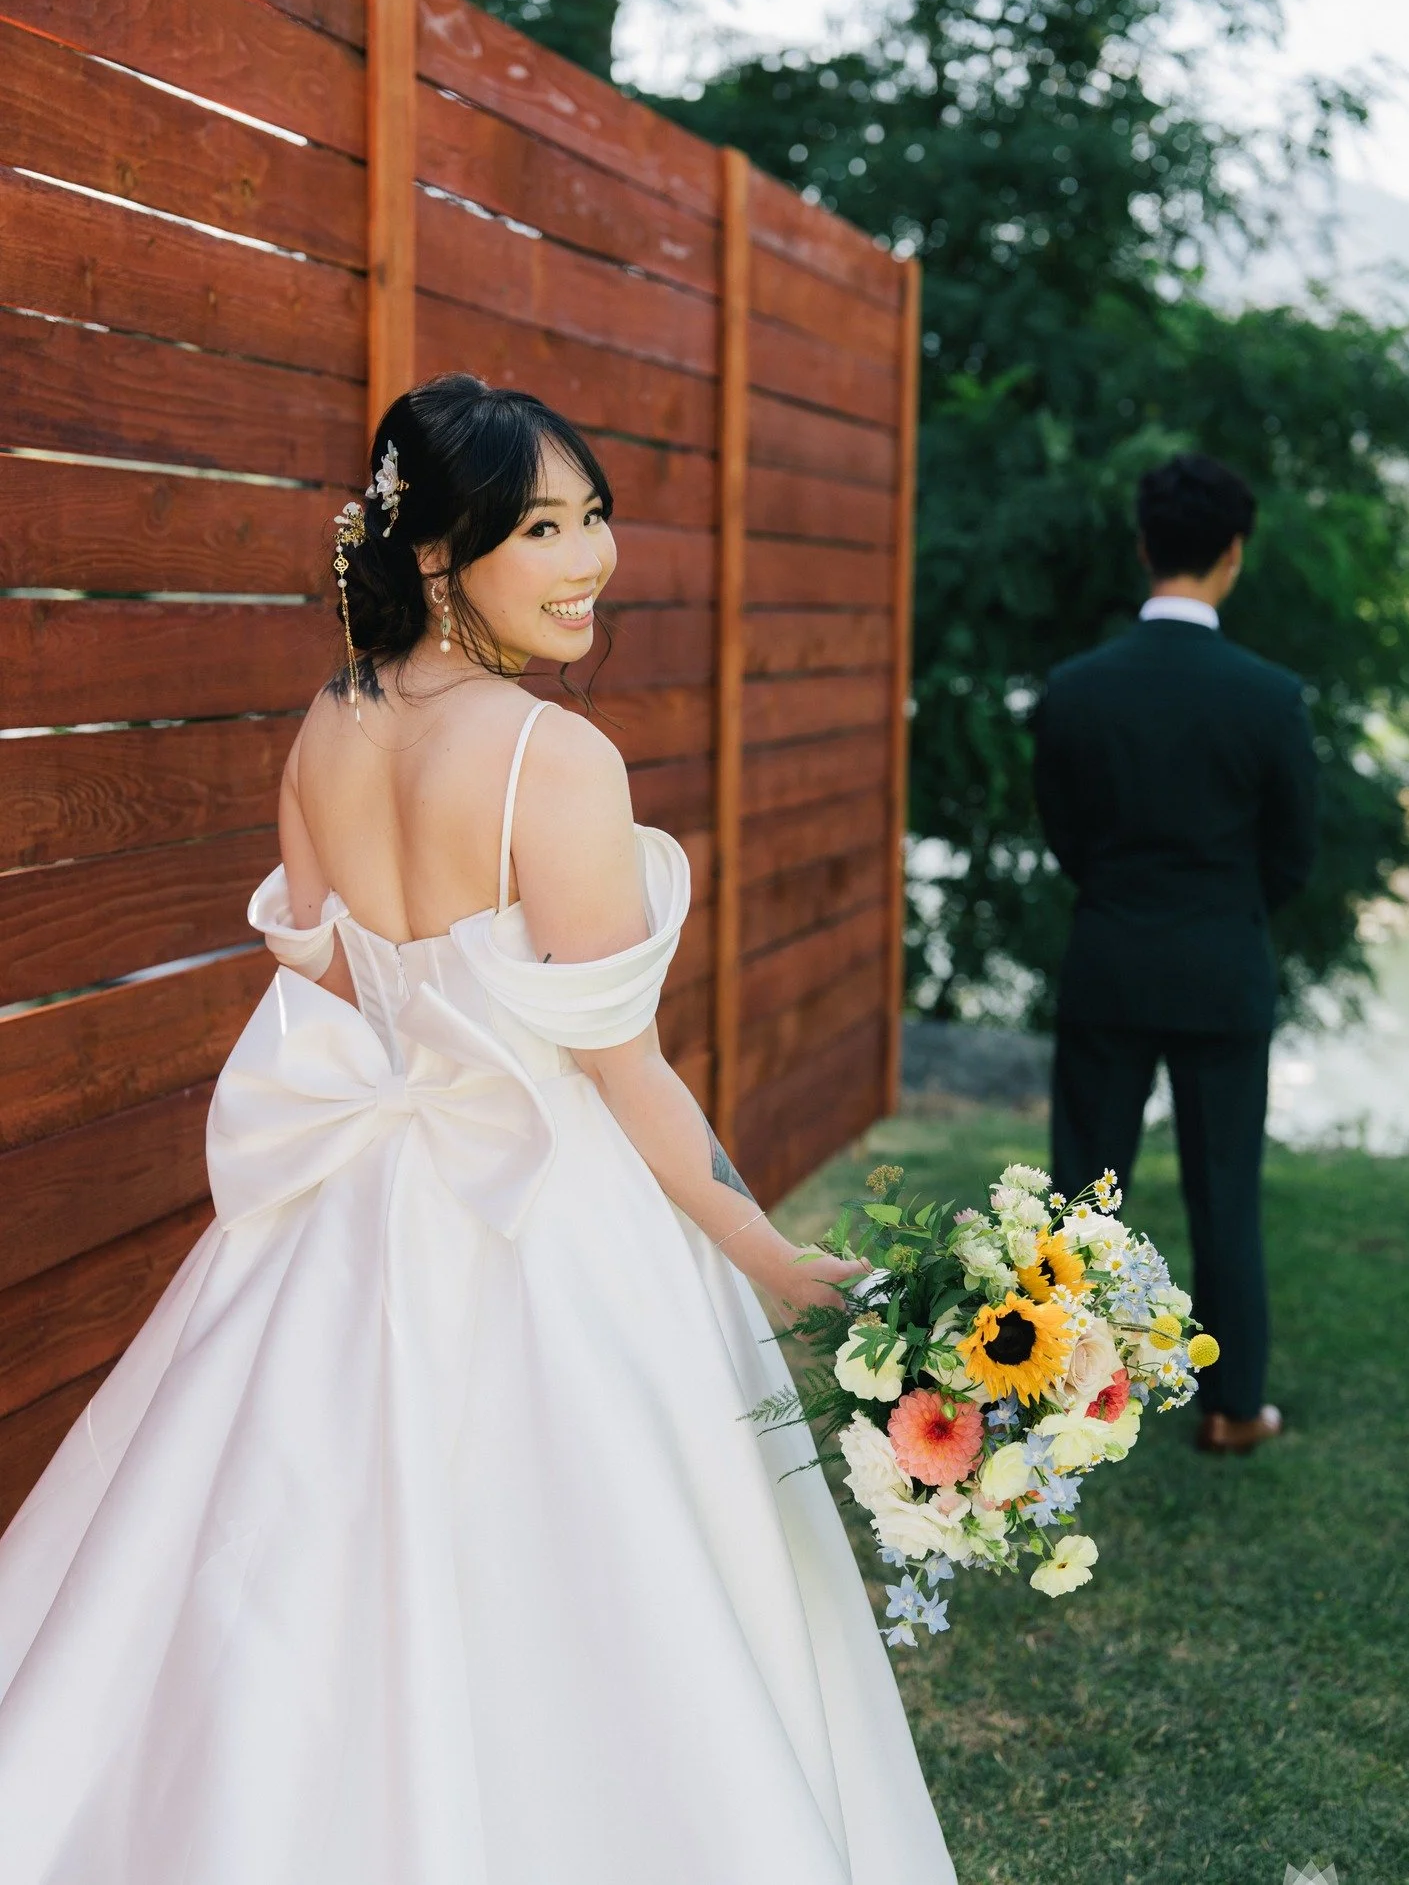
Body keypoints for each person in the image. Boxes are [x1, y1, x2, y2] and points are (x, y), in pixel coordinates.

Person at [0, 376, 956, 1885]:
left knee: (283, 1577)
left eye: (598, 521)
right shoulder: (551, 757)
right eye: (547, 529)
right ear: (441, 554)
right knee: (595, 1585)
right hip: (546, 1209)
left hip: (344, 1207)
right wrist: (769, 1251)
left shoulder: (323, 726)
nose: (591, 562)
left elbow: (318, 971)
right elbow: (625, 1070)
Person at [1032, 452, 1318, 1455]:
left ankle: (1057, 1396)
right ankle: (1235, 1407)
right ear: (1233, 555)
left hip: (1110, 959)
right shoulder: (1271, 697)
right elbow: (1293, 856)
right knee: (1224, 1191)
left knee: (1080, 1196)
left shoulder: (1073, 689)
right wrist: (1223, 910)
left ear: (1144, 545)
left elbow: (1064, 833)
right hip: (1222, 972)